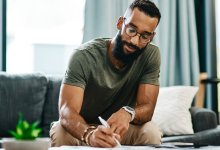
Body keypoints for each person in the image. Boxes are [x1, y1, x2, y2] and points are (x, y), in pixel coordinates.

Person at [50, 0, 162, 148]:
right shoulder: (83, 56)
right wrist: (89, 134)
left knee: (151, 131)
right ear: (120, 23)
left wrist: (128, 112)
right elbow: (66, 111)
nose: (135, 41)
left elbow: (147, 107)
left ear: (151, 37)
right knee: (60, 130)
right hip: (84, 127)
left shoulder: (151, 55)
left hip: (121, 129)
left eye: (144, 36)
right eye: (131, 30)